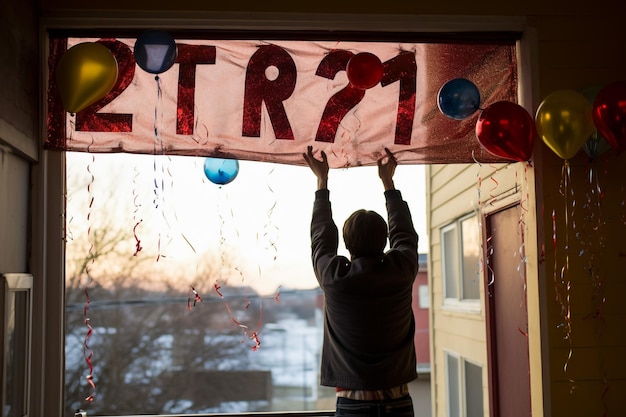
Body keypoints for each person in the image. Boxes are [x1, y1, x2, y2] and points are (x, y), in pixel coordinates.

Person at [303, 145, 420, 417]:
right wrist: (388, 183)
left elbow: (320, 239)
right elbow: (405, 234)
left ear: (346, 244)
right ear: (385, 241)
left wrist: (322, 182)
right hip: (399, 403)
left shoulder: (335, 279)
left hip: (353, 406)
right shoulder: (400, 271)